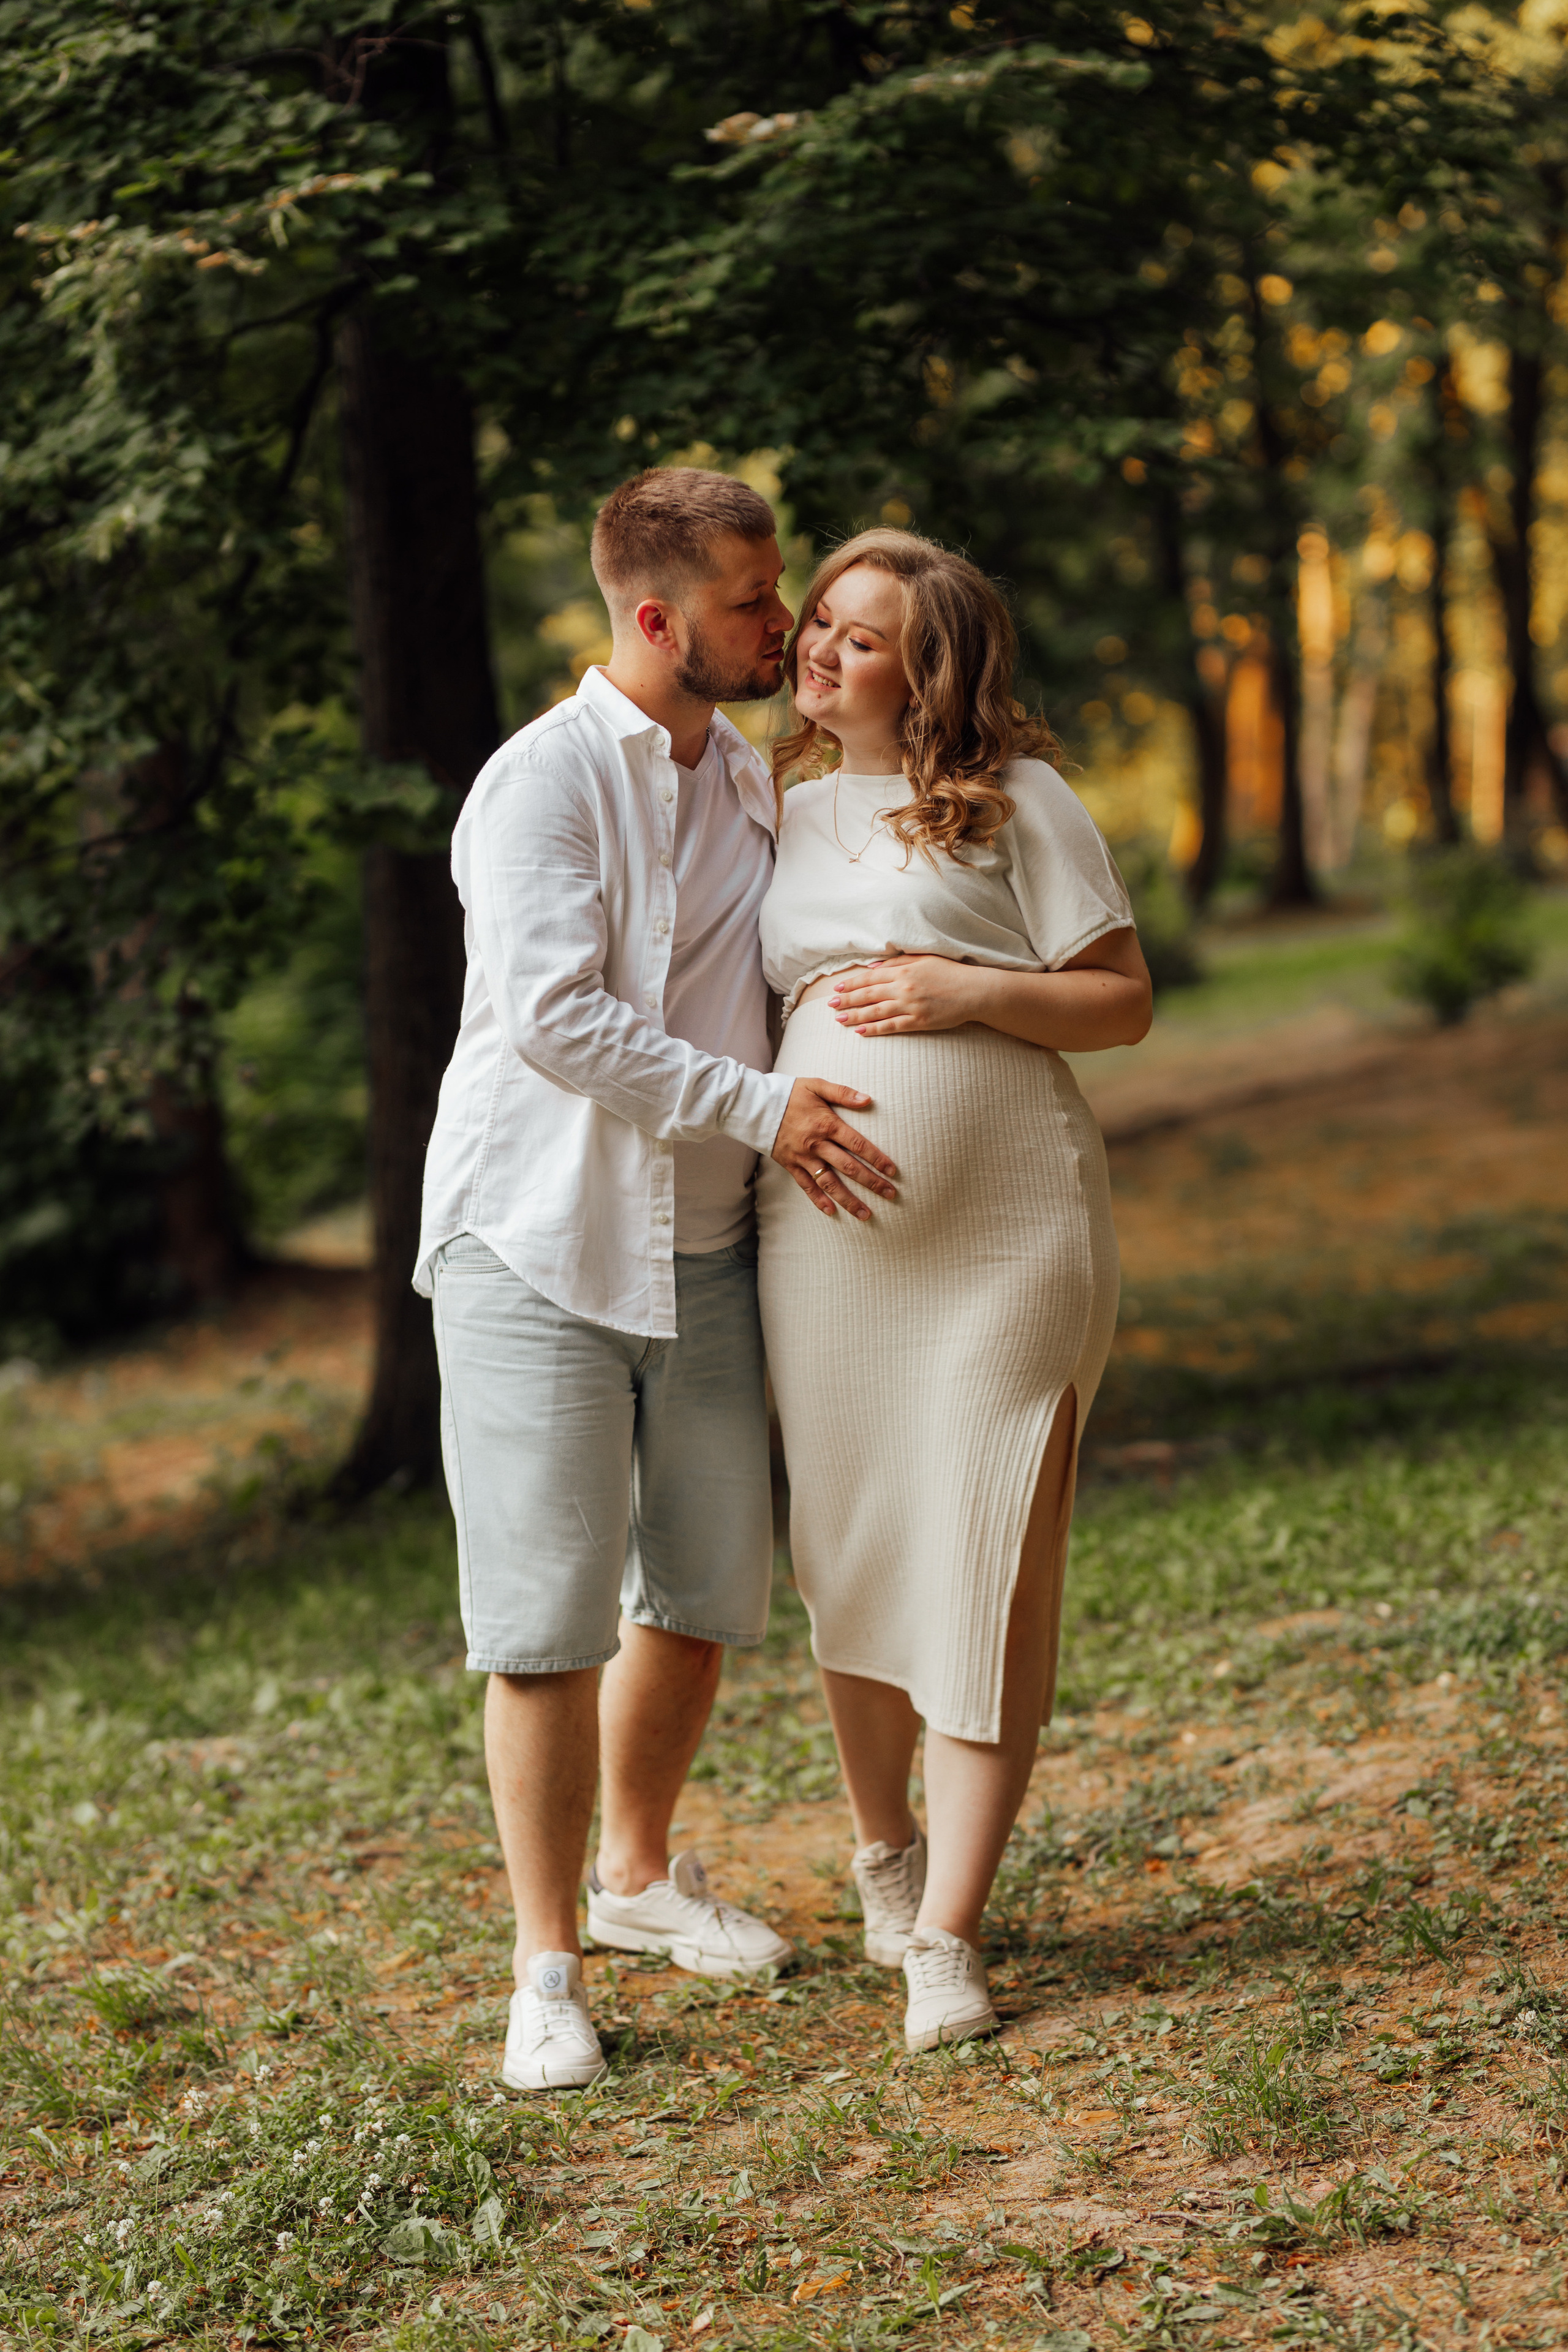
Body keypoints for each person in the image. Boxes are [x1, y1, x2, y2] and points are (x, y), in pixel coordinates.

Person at [415, 469, 900, 2091]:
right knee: (546, 1623)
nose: (785, 625)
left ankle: (635, 1876)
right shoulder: (537, 787)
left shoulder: (754, 782)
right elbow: (557, 1019)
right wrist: (770, 1112)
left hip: (702, 1249)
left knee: (698, 1592)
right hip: (538, 1241)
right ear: (654, 616)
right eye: (760, 603)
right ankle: (545, 1966)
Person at [755, 527, 1152, 2053]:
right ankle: (880, 1850)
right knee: (851, 1546)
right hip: (827, 1246)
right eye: (819, 625)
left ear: (929, 675)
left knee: (989, 1557)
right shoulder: (766, 809)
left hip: (1012, 1239)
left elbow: (1118, 1000)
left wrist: (965, 990)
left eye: (863, 639)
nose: (821, 652)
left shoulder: (1020, 803)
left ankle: (946, 1937)